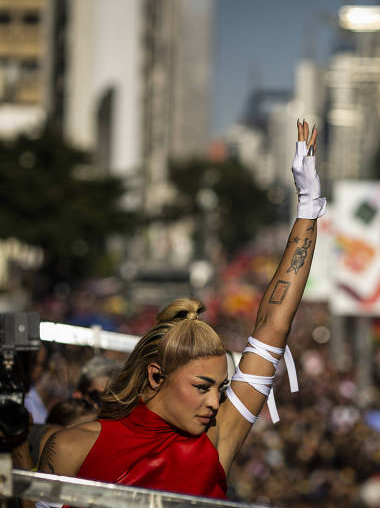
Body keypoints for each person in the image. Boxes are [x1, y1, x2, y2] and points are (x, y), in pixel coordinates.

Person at [35, 120, 325, 505]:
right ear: (156, 376)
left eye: (220, 389)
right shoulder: (69, 447)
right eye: (202, 387)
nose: (215, 403)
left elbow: (273, 325)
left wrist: (308, 207)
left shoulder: (217, 439)